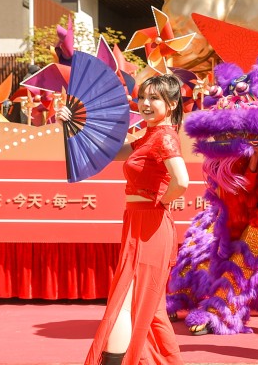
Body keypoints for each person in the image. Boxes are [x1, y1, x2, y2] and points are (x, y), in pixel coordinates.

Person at [59, 73, 189, 365]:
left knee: (126, 300)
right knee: (146, 304)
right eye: (142, 97)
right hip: (138, 223)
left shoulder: (165, 137)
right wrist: (72, 125)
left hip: (150, 226)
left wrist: (162, 202)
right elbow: (109, 153)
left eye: (154, 98)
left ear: (172, 103)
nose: (145, 103)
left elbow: (181, 181)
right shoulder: (150, 135)